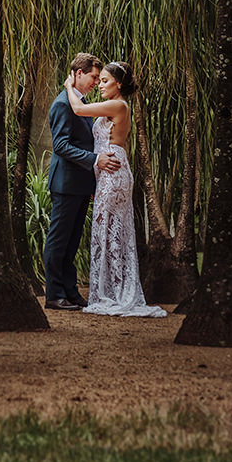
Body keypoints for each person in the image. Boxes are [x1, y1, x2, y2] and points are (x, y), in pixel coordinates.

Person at [63, 61, 167, 318]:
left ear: (119, 84)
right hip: (108, 172)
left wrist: (69, 86)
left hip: (113, 175)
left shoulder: (118, 105)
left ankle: (114, 292)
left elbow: (78, 109)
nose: (99, 85)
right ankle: (110, 289)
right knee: (107, 232)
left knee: (110, 232)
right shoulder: (111, 107)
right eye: (99, 81)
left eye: (105, 81)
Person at [43, 53, 120, 310]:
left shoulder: (81, 103)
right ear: (78, 73)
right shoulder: (63, 104)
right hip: (65, 185)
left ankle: (71, 292)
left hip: (80, 185)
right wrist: (96, 160)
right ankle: (54, 295)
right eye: (93, 77)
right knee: (58, 240)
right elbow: (61, 146)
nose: (95, 82)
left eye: (99, 78)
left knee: (72, 242)